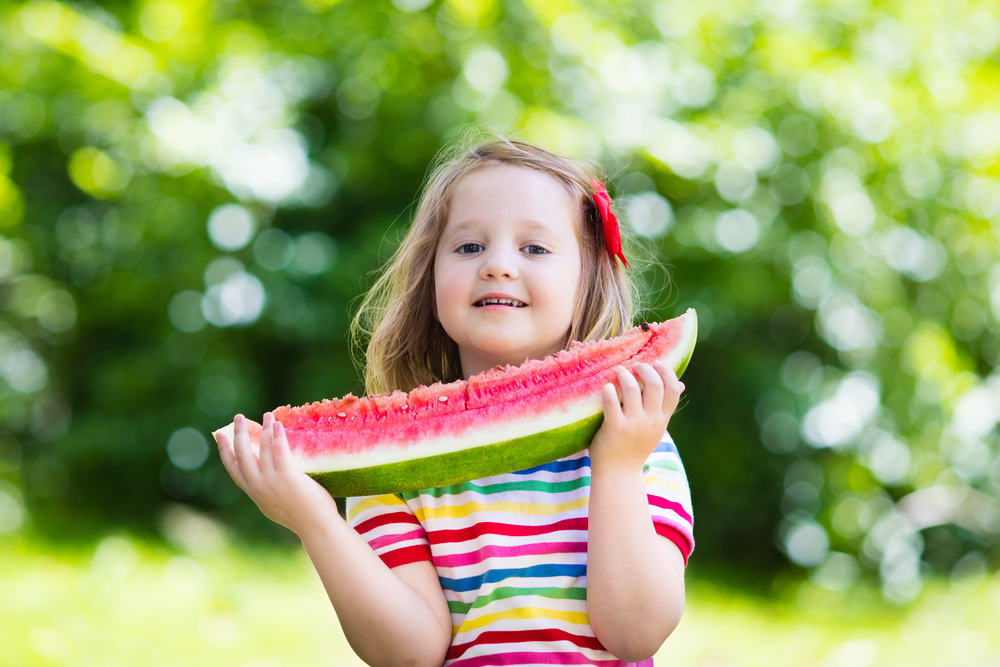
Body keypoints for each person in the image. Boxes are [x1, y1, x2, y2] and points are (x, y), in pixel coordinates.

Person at [216, 134, 694, 667]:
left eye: (534, 247)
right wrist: (316, 521)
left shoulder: (639, 438)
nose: (498, 265)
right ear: (430, 280)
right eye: (469, 246)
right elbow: (411, 652)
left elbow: (636, 634)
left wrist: (619, 468)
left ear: (587, 282)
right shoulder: (393, 467)